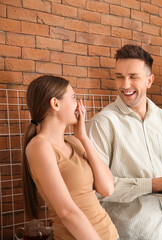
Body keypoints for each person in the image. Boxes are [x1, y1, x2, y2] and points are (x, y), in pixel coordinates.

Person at [86, 44, 162, 240]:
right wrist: (151, 185)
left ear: (149, 80)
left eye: (133, 77)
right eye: (119, 76)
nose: (125, 85)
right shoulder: (103, 123)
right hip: (137, 234)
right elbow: (96, 189)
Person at [22, 75, 119, 240]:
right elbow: (66, 212)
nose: (78, 104)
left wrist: (84, 138)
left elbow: (107, 188)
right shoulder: (39, 147)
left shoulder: (75, 141)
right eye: (74, 97)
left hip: (110, 234)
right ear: (55, 103)